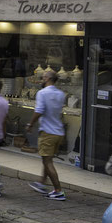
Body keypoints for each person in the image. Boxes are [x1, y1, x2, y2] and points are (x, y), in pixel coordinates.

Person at [26, 70, 67, 200]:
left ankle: (58, 190)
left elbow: (39, 111)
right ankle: (41, 183)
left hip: (48, 132)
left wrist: (30, 124)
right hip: (59, 131)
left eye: (43, 77)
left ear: (48, 79)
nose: (42, 79)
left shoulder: (42, 93)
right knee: (47, 159)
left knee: (47, 161)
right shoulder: (61, 94)